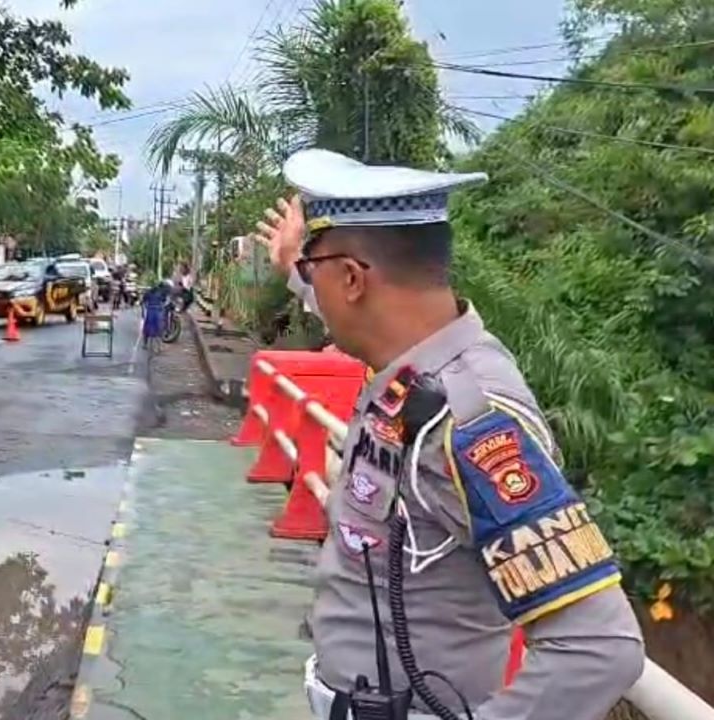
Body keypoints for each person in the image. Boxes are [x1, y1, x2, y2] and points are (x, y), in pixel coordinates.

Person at [254, 149, 643, 720]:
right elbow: (348, 306)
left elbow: (598, 647)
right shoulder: (415, 365)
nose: (309, 287)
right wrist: (299, 268)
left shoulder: (471, 420)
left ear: (353, 279)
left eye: (315, 273)